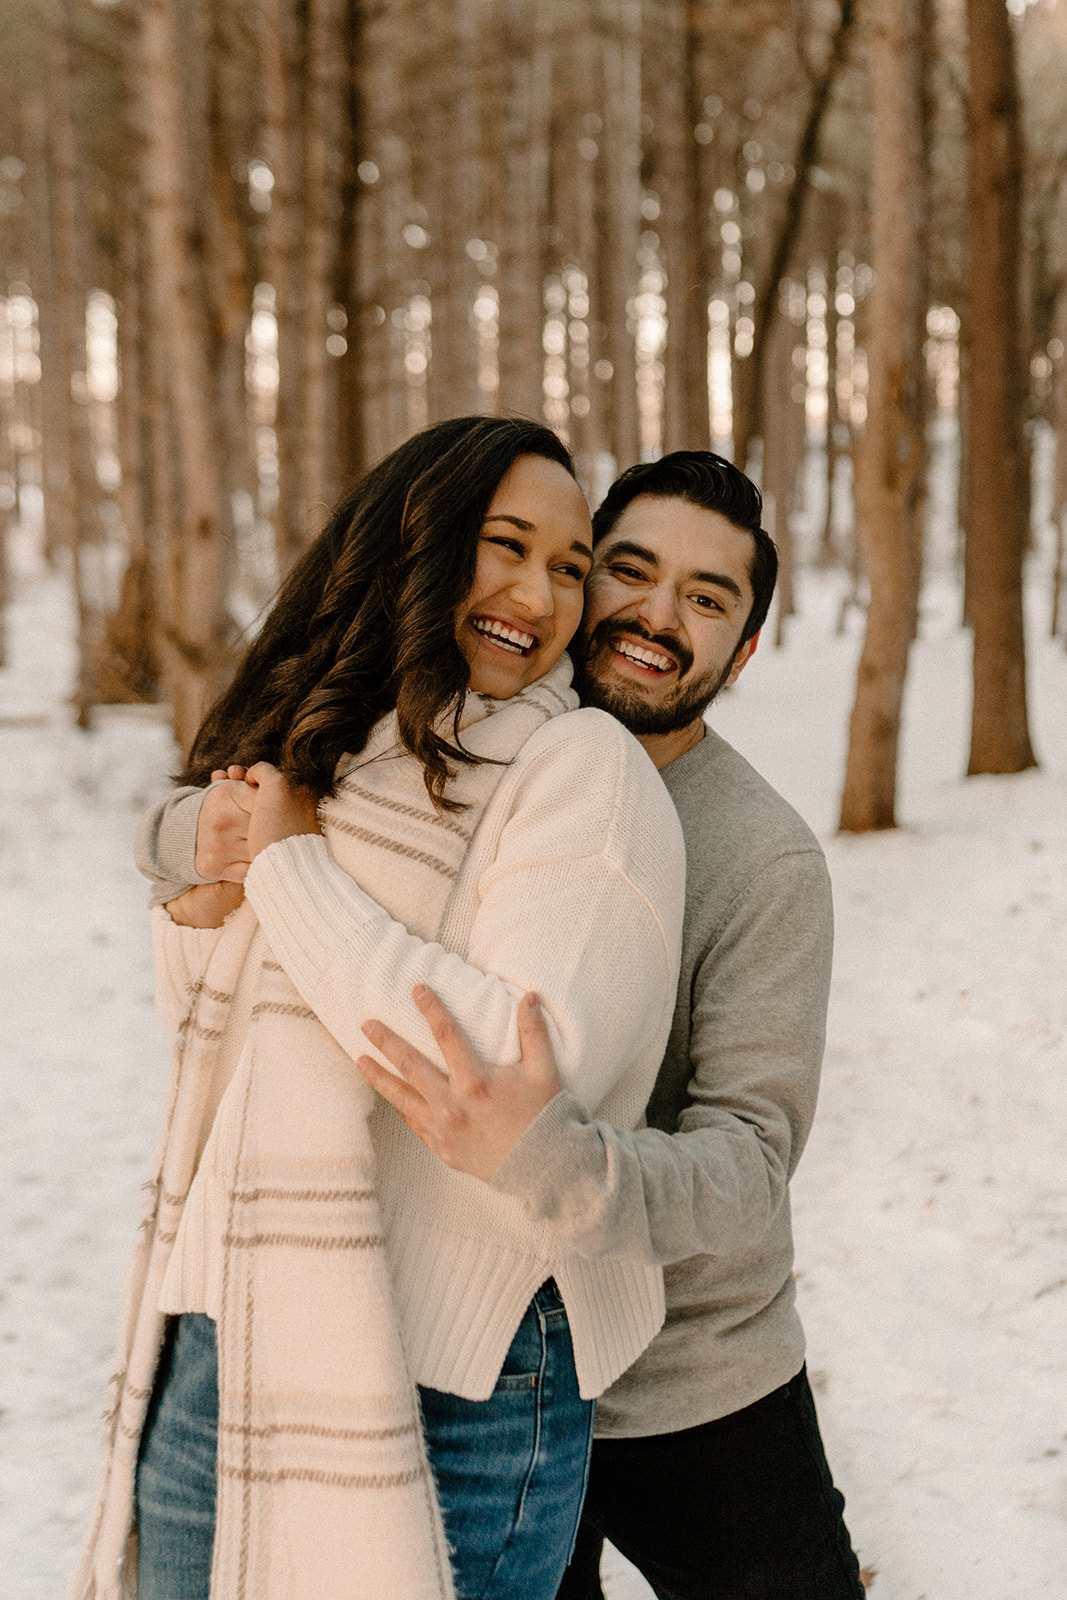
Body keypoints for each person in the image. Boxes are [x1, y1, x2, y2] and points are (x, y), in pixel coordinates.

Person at [69, 417, 686, 1600]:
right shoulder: (340, 742)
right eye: (506, 545)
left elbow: (512, 1059)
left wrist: (289, 871)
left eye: (568, 566)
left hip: (460, 1370)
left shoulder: (579, 770)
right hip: (234, 1309)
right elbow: (240, 1043)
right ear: (420, 540)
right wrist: (204, 905)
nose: (538, 593)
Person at [349, 453, 867, 1599]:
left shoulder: (764, 861)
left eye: (705, 597)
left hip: (693, 1383)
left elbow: (748, 1163)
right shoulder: (468, 753)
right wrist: (193, 847)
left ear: (740, 650)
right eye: (627, 572)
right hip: (488, 1377)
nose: (654, 616)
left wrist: (554, 1164)